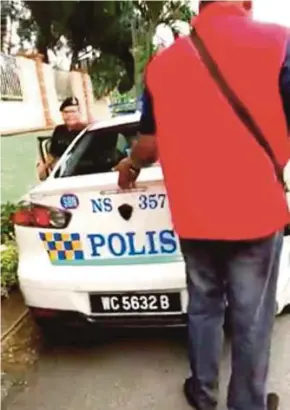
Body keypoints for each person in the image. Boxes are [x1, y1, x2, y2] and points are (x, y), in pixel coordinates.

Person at [116, 2, 290, 410]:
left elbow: (148, 143)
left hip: (194, 216)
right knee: (251, 317)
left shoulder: (163, 64)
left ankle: (203, 392)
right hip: (256, 211)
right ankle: (246, 403)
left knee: (204, 304)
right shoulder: (279, 42)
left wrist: (130, 164)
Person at [37, 97, 87, 180]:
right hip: (65, 173)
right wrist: (43, 169)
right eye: (66, 112)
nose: (70, 115)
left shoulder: (87, 129)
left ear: (79, 113)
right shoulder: (59, 130)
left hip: (85, 172)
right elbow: (53, 153)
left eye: (73, 111)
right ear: (62, 114)